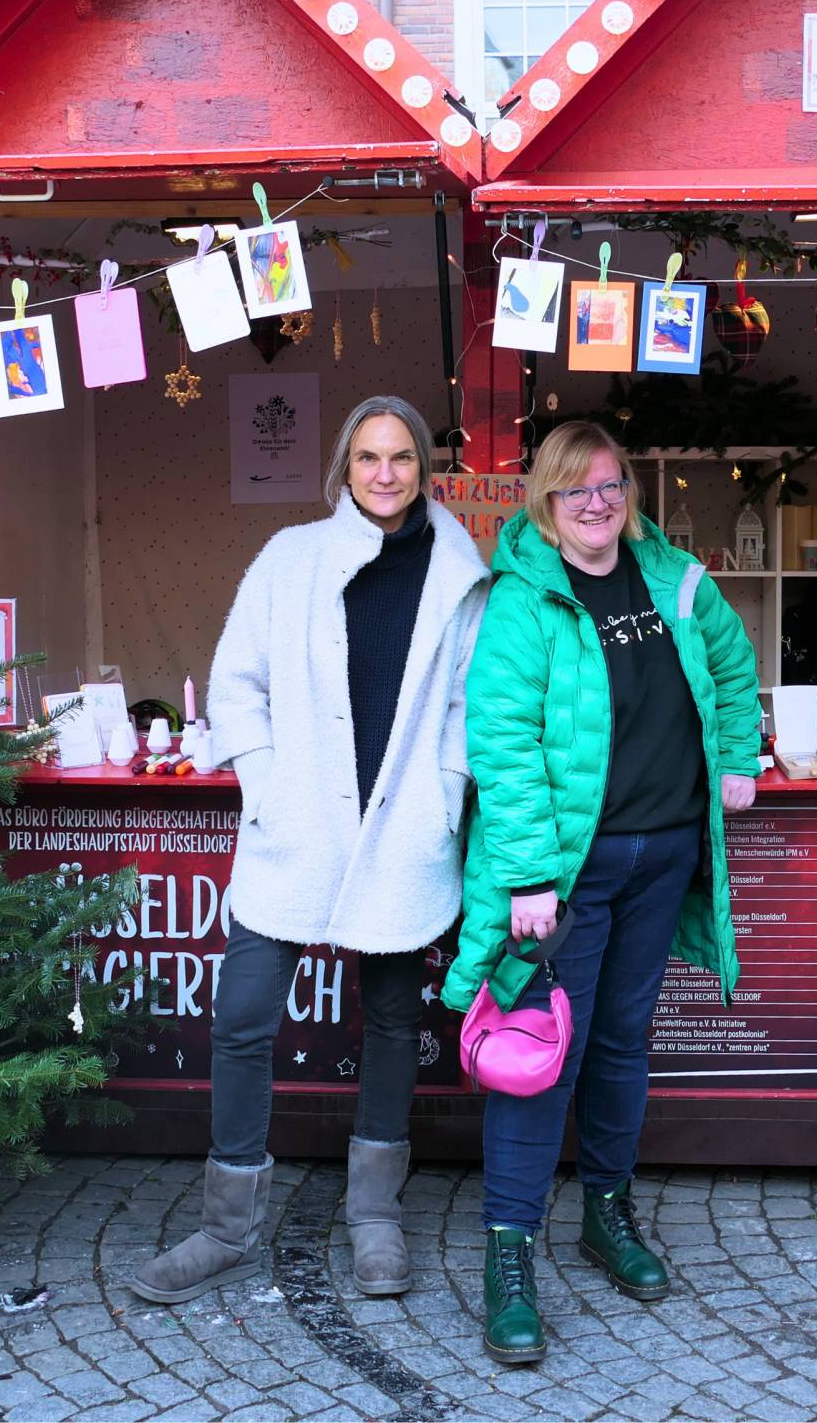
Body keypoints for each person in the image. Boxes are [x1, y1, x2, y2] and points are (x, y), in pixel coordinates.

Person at [131, 397, 488, 1304]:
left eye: (401, 456)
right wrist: (268, 786)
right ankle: (227, 1221)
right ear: (344, 465)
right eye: (368, 456)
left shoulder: (459, 572)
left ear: (422, 466)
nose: (384, 473)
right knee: (243, 1015)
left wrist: (443, 798)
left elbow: (464, 708)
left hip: (401, 825)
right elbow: (236, 683)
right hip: (294, 827)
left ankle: (374, 1216)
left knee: (394, 1022)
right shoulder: (289, 559)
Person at [443, 421, 760, 1364]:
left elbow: (735, 668)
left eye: (613, 485)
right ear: (546, 497)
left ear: (631, 492)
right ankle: (510, 1254)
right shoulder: (523, 601)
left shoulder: (675, 580)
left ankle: (606, 1215)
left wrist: (736, 755)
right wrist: (531, 876)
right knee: (541, 1056)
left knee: (623, 1041)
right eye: (577, 488)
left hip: (663, 857)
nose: (597, 502)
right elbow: (502, 746)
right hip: (568, 880)